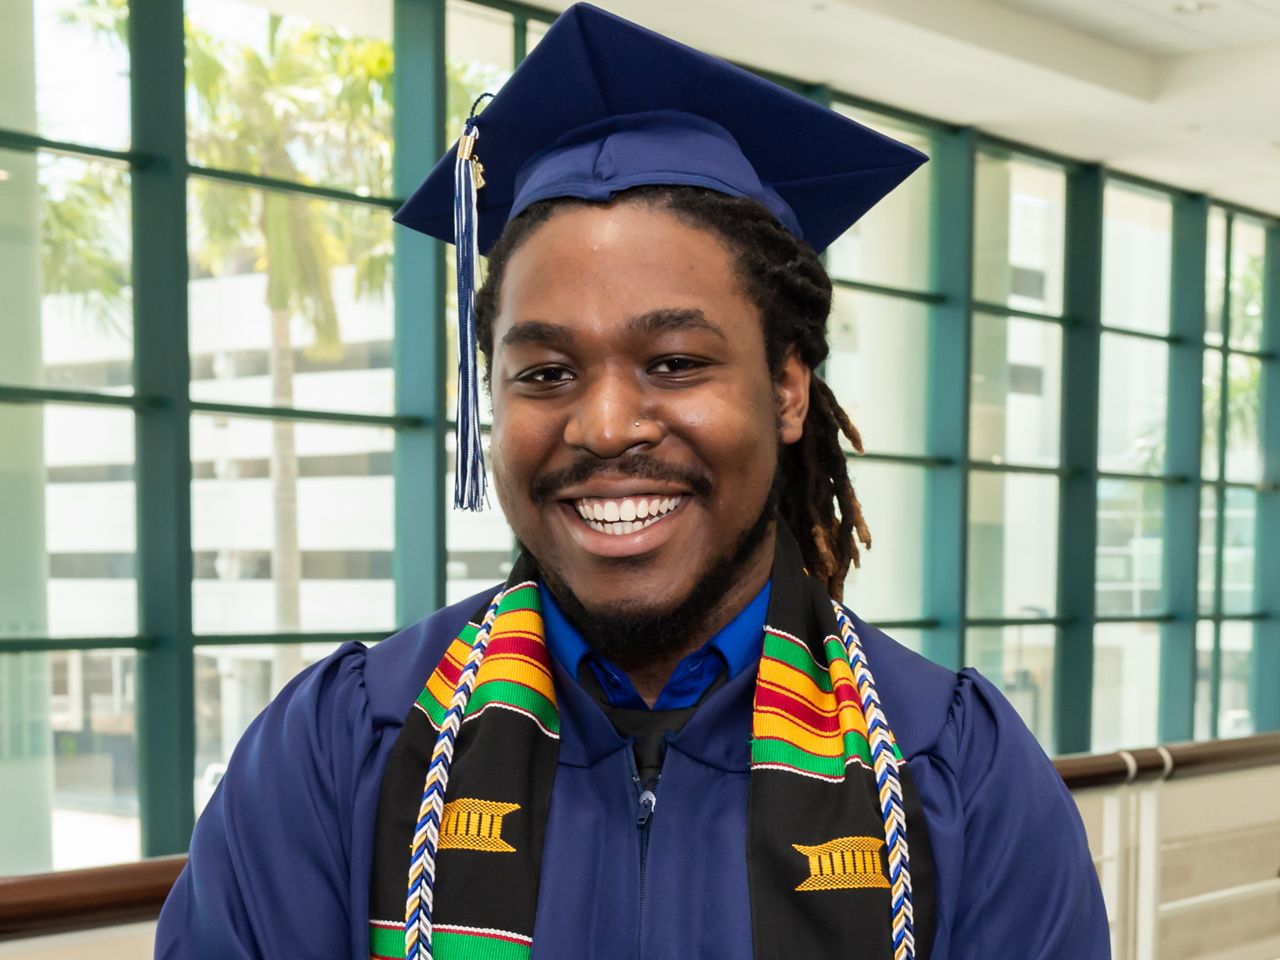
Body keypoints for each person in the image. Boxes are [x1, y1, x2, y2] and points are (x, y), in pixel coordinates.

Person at [156, 5, 1110, 959]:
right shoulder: (344, 750)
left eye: (675, 361)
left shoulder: (953, 774)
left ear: (786, 390)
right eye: (546, 373)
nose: (605, 426)